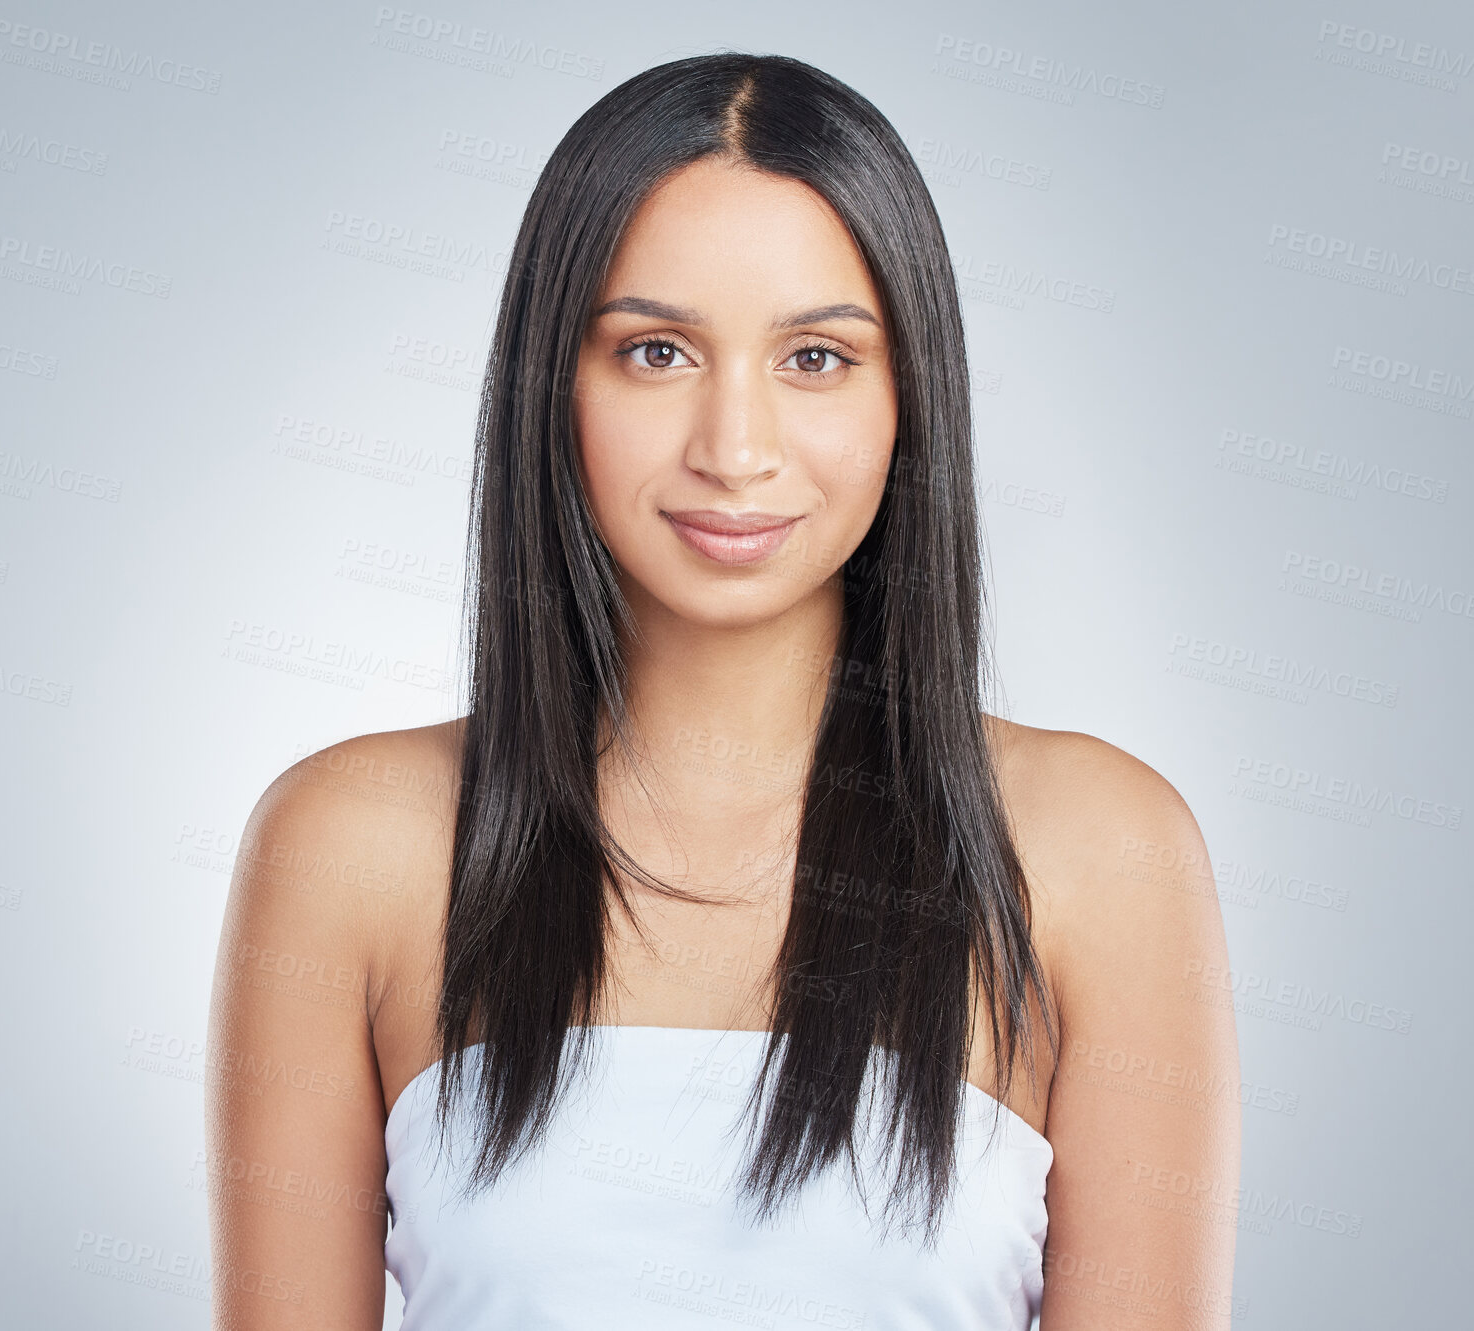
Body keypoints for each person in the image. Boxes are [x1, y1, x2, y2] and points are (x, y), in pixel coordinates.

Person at [205, 51, 1240, 1330]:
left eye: (814, 357)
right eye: (655, 351)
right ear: (552, 386)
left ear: (907, 394)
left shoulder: (1101, 850)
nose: (734, 450)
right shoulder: (350, 842)